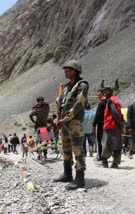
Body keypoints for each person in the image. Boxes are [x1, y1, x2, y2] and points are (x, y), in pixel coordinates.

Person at [53, 60, 89, 190]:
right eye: (65, 70)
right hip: (64, 123)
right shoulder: (68, 87)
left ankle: (80, 179)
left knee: (77, 149)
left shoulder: (82, 85)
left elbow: (79, 104)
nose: (66, 72)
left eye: (68, 70)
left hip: (74, 122)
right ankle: (67, 174)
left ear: (75, 71)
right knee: (66, 148)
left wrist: (66, 118)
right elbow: (64, 104)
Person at [101, 87, 125, 168]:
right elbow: (120, 113)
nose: (104, 94)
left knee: (106, 144)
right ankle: (115, 163)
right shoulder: (116, 100)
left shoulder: (110, 101)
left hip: (109, 125)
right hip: (116, 127)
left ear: (111, 92)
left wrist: (120, 125)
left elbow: (115, 113)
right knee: (117, 145)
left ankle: (104, 161)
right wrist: (121, 125)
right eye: (103, 93)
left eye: (106, 92)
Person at [92, 89, 107, 161]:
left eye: (99, 95)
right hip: (107, 123)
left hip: (100, 124)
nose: (98, 96)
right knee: (105, 140)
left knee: (99, 140)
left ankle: (99, 156)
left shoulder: (101, 103)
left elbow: (98, 114)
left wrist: (94, 124)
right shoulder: (109, 101)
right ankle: (105, 155)